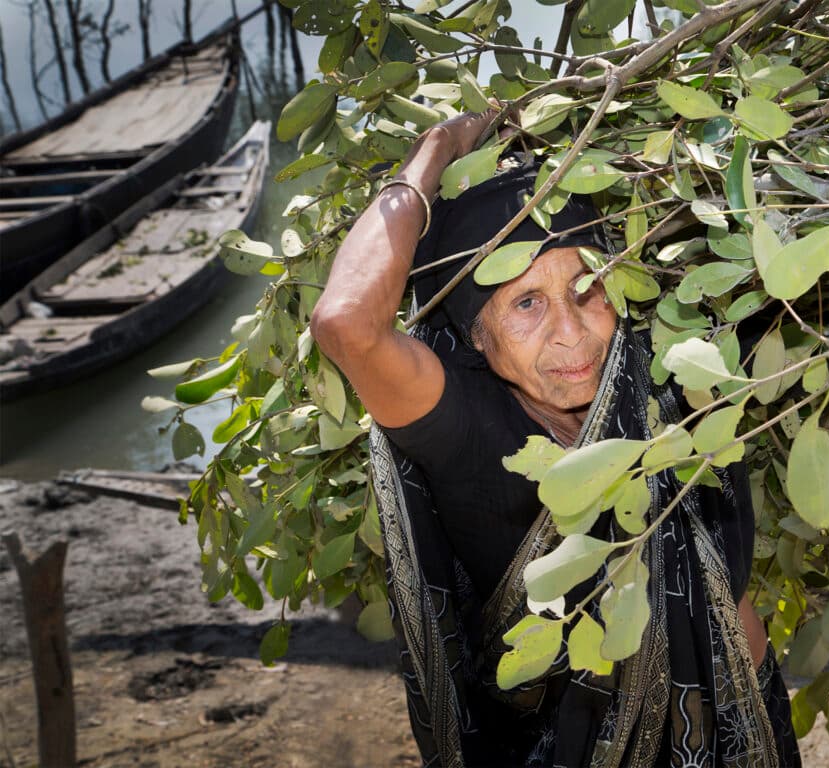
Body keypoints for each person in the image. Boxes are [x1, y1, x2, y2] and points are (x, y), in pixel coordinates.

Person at [310, 109, 800, 767]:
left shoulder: (672, 366)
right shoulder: (465, 429)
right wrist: (436, 148)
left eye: (586, 287)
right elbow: (346, 322)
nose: (570, 333)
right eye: (526, 303)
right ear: (477, 335)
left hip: (747, 734)